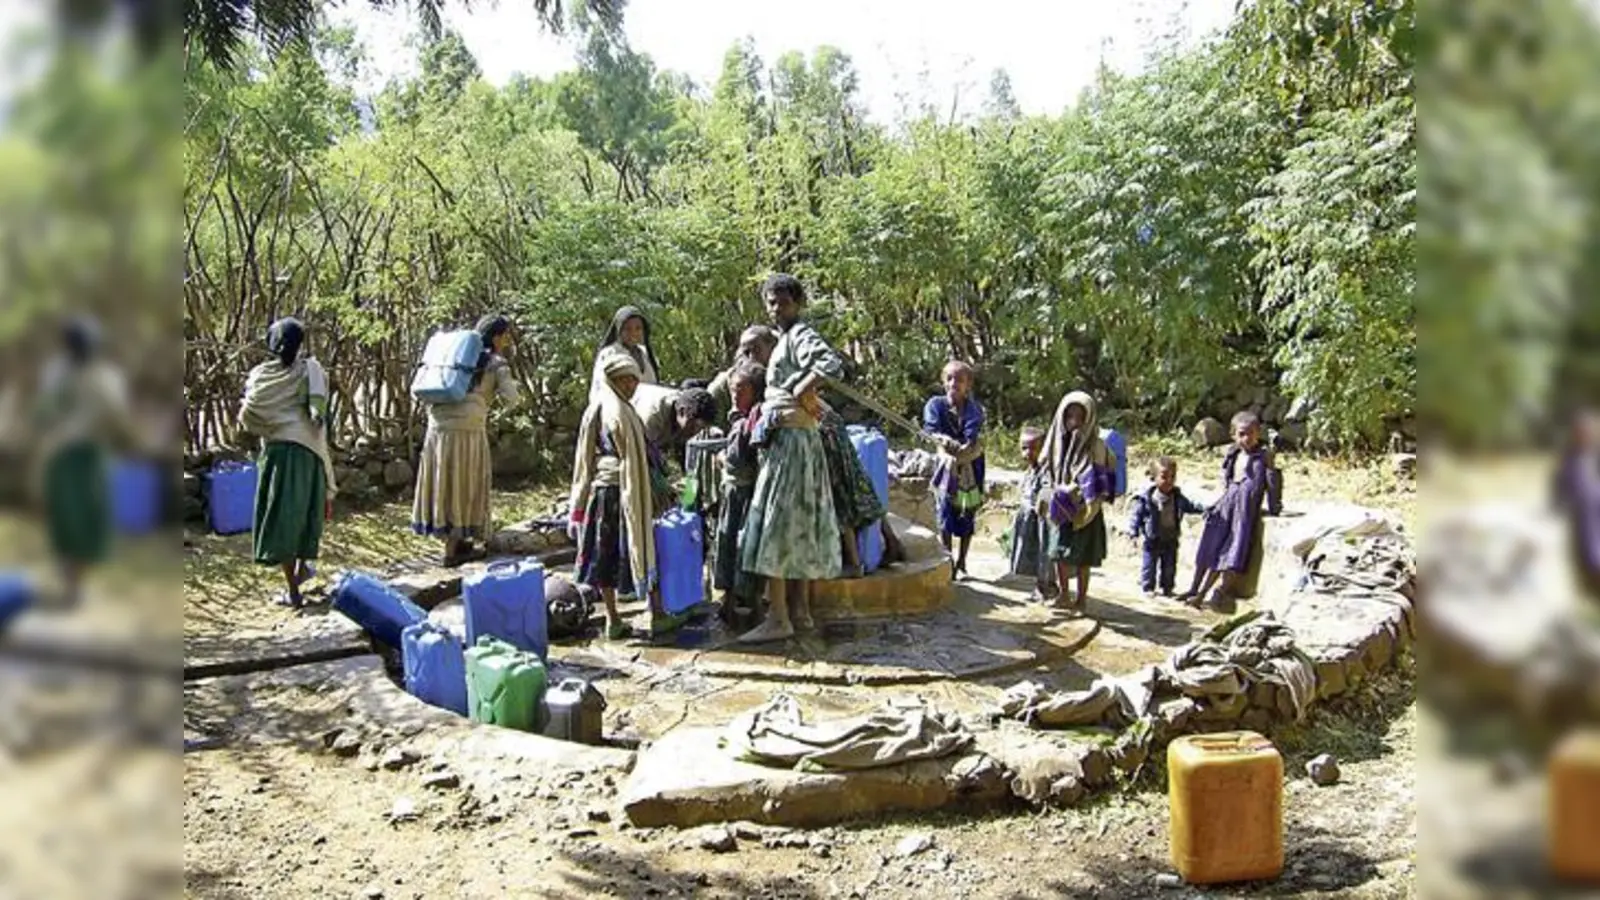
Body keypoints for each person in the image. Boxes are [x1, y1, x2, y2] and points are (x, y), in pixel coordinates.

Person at [737, 274, 845, 643]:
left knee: (776, 527)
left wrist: (803, 387)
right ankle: (800, 612)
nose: (774, 308)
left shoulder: (800, 335)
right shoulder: (785, 339)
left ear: (797, 303)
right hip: (798, 442)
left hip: (792, 444)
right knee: (799, 525)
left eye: (781, 302)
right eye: (769, 302)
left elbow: (830, 362)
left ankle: (779, 616)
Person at [32, 316, 138, 609]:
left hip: (81, 455)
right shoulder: (89, 376)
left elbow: (45, 412)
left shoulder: (83, 375)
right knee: (72, 520)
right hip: (74, 456)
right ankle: (73, 584)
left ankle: (73, 583)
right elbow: (116, 415)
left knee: (80, 520)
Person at [569, 352, 675, 640]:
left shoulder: (602, 409)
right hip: (619, 491)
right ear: (611, 380)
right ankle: (649, 614)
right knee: (637, 546)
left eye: (633, 380)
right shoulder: (618, 412)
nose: (630, 385)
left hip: (607, 492)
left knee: (609, 553)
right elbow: (592, 456)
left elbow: (585, 457)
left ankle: (617, 619)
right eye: (623, 380)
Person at [240, 317, 338, 608]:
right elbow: (321, 412)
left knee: (283, 520)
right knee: (306, 514)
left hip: (279, 453)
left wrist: (276, 424)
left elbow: (250, 414)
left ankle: (293, 590)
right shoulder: (311, 370)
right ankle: (301, 574)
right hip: (309, 451)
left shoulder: (261, 376)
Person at [411, 314, 519, 567]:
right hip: (468, 431)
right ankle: (452, 550)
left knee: (445, 483)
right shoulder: (495, 363)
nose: (506, 341)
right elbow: (512, 398)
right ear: (496, 337)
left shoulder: (453, 361)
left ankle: (456, 541)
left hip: (437, 429)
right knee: (464, 483)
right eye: (505, 336)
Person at [1181, 410, 1270, 613]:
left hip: (1243, 512)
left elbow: (1272, 483)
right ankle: (1193, 588)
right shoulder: (1233, 454)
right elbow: (1226, 479)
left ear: (1258, 434)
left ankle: (1203, 594)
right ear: (1233, 435)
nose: (1246, 439)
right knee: (1208, 547)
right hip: (1226, 505)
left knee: (1227, 553)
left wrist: (1273, 507)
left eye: (1251, 433)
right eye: (1241, 434)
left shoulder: (1263, 458)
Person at [1039, 390, 1116, 616]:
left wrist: (1077, 493)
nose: (1074, 422)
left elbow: (1096, 479)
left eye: (1080, 417)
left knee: (1083, 558)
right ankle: (1063, 594)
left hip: (1085, 510)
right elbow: (1045, 468)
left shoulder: (1096, 446)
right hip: (1060, 507)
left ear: (1089, 418)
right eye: (1069, 416)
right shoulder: (1055, 441)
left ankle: (1081, 599)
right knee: (1058, 552)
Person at [713, 361, 767, 622]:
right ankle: (745, 602)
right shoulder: (751, 418)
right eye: (733, 390)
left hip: (740, 495)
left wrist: (721, 457)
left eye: (741, 390)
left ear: (754, 391)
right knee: (743, 547)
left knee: (732, 544)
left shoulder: (748, 422)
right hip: (747, 493)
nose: (735, 395)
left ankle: (733, 602)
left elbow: (735, 458)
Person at [923, 360, 985, 578]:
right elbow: (931, 430)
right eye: (949, 378)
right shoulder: (935, 405)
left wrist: (965, 447)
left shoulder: (974, 409)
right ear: (943, 381)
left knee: (968, 509)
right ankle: (948, 557)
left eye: (959, 379)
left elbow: (971, 434)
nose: (954, 383)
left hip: (971, 464)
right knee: (946, 510)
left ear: (968, 384)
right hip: (946, 463)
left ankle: (962, 561)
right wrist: (946, 443)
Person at [1125, 457, 1207, 598]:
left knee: (1169, 566)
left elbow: (1190, 506)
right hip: (1153, 538)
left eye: (1172, 477)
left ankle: (1167, 587)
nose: (1169, 481)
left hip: (1171, 537)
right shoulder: (1147, 498)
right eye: (1164, 477)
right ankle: (1148, 587)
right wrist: (1133, 533)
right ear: (1153, 478)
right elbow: (1136, 516)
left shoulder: (1177, 497)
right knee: (1149, 565)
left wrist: (1205, 509)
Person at [1006, 425, 1057, 603]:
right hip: (1029, 519)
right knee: (1033, 554)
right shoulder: (1030, 470)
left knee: (1044, 554)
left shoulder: (1047, 470)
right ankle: (1040, 585)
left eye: (1033, 448)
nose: (1028, 453)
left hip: (1042, 520)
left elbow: (1046, 492)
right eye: (1024, 448)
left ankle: (1047, 586)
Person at [1554, 409, 1600, 599]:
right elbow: (1558, 492)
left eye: (1588, 431)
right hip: (1582, 521)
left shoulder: (1595, 456)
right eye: (1580, 431)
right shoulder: (1568, 460)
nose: (1585, 435)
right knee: (1590, 556)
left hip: (1596, 513)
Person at [590, 306, 661, 403]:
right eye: (627, 329)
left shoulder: (645, 353)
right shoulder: (610, 353)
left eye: (638, 328)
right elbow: (601, 388)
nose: (633, 333)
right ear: (619, 330)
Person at [708, 325, 779, 408]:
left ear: (773, 347)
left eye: (756, 350)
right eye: (746, 352)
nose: (751, 357)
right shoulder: (725, 384)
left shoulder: (784, 375)